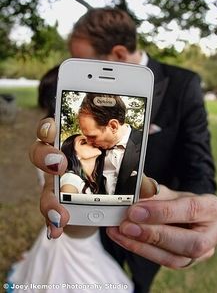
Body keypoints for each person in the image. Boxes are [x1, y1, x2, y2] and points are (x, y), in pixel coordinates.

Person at [29, 8, 217, 293]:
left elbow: (198, 168)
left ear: (119, 55)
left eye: (82, 59)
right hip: (83, 227)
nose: (72, 66)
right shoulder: (75, 96)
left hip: (145, 231)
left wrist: (196, 212)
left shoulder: (184, 84)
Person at [7, 67, 135, 293]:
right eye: (84, 141)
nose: (90, 141)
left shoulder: (104, 161)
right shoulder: (67, 173)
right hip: (72, 237)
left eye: (89, 137)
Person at [78, 93, 142, 195]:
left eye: (92, 136)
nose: (88, 142)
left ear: (113, 126)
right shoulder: (92, 153)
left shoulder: (148, 144)